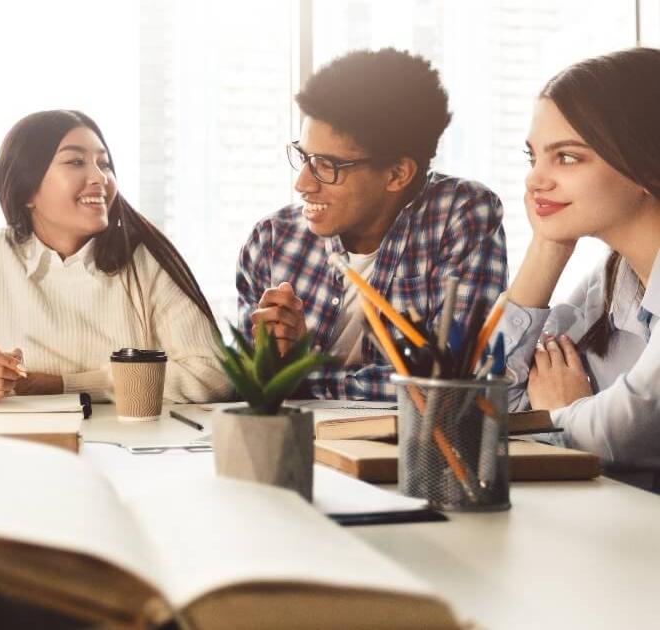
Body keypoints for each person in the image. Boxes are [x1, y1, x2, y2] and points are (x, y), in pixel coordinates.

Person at [0, 110, 231, 407]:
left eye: (104, 164)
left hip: (136, 452)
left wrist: (69, 385)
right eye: (76, 162)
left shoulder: (145, 259)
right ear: (27, 190)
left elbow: (213, 374)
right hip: (23, 450)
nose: (100, 177)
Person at [236, 48, 507, 400]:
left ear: (397, 174)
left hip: (417, 449)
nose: (302, 183)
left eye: (326, 165)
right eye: (304, 157)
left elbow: (454, 381)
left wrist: (301, 376)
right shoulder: (272, 241)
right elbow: (247, 384)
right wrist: (277, 360)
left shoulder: (461, 216)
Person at [502, 47, 660, 472]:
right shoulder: (611, 281)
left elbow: (629, 430)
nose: (535, 179)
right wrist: (548, 247)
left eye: (567, 157)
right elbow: (483, 405)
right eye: (533, 157)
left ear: (646, 163)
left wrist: (563, 412)